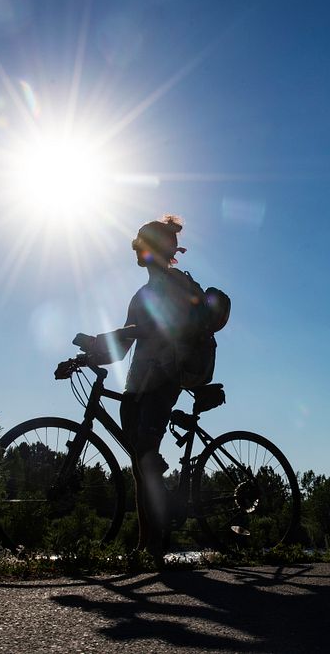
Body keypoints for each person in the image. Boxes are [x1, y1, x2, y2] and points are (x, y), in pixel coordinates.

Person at [77, 215, 198, 558]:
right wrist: (86, 357)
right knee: (138, 465)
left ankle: (158, 544)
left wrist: (105, 337)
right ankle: (144, 544)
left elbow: (152, 329)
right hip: (137, 383)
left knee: (145, 454)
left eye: (144, 246)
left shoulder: (174, 285)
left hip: (164, 378)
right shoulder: (141, 294)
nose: (140, 252)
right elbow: (122, 348)